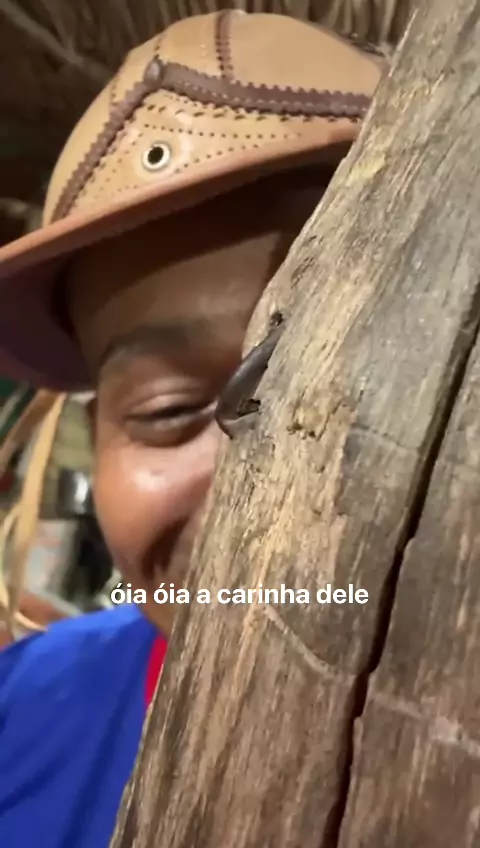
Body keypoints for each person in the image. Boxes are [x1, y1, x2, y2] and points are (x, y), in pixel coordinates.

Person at [0, 11, 384, 848]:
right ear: (99, 432)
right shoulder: (18, 715)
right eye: (168, 410)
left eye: (345, 373)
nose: (259, 480)